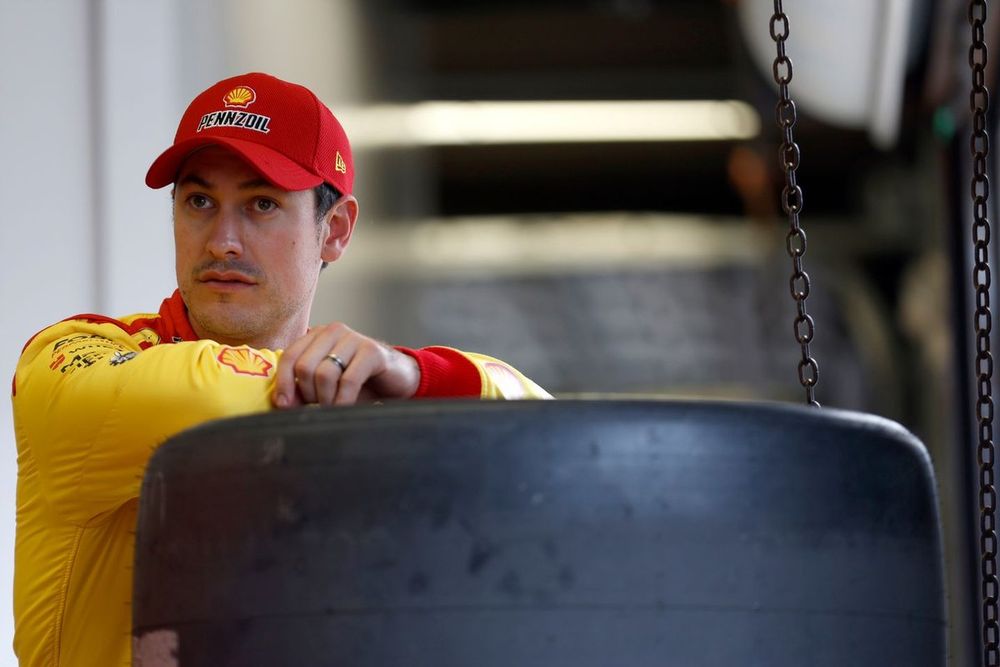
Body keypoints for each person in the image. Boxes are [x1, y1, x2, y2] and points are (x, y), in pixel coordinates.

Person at [10, 72, 549, 667]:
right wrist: (379, 396)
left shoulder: (364, 388)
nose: (223, 242)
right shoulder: (72, 355)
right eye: (199, 202)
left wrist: (412, 374)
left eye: (261, 203)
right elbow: (202, 405)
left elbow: (551, 440)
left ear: (335, 230)